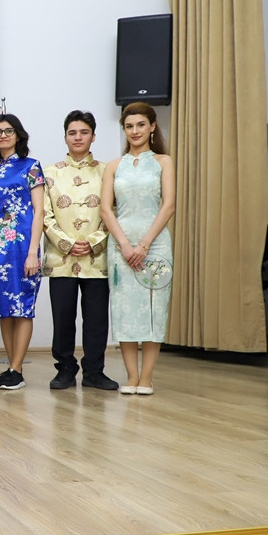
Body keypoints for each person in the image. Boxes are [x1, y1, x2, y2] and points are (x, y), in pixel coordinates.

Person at [100, 102, 175, 396]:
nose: (135, 131)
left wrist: (143, 245)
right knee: (124, 310)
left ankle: (147, 377)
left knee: (155, 310)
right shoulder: (113, 166)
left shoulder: (163, 162)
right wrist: (125, 244)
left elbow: (169, 205)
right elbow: (106, 209)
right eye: (129, 126)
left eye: (140, 125)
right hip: (120, 247)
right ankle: (131, 376)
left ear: (152, 126)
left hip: (155, 246)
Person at [42, 110, 118, 391]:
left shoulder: (108, 171)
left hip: (97, 258)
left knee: (96, 319)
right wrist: (66, 243)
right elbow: (44, 215)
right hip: (61, 257)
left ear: (93, 136)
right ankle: (64, 369)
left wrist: (95, 241)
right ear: (65, 137)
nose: (78, 137)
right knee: (63, 318)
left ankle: (94, 372)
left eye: (84, 132)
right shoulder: (49, 173)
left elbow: (114, 211)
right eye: (72, 133)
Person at [0, 114, 45, 390]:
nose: (3, 135)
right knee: (4, 308)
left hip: (22, 245)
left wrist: (33, 252)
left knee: (23, 307)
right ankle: (12, 368)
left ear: (18, 135)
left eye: (8, 131)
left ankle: (17, 369)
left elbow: (39, 211)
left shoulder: (31, 167)